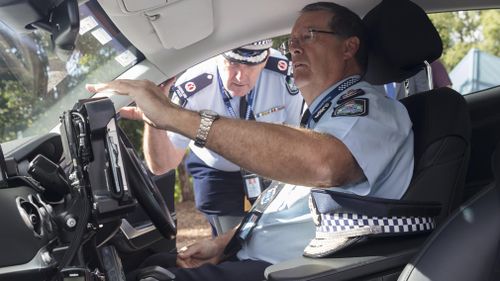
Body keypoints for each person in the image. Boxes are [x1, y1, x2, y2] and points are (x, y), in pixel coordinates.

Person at [87, 2, 414, 281]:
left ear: (349, 47)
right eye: (293, 40)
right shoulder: (324, 115)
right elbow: (287, 206)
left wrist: (175, 116)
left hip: (293, 269)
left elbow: (323, 164)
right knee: (146, 265)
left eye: (309, 36)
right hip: (255, 255)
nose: (294, 46)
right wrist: (225, 243)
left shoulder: (371, 108)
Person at [121, 40, 303, 236]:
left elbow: (300, 139)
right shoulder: (192, 88)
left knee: (280, 233)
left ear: (265, 59)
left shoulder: (284, 75)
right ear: (217, 55)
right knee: (230, 246)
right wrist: (153, 118)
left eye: (251, 66)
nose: (241, 77)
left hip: (272, 168)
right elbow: (162, 165)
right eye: (233, 64)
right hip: (217, 172)